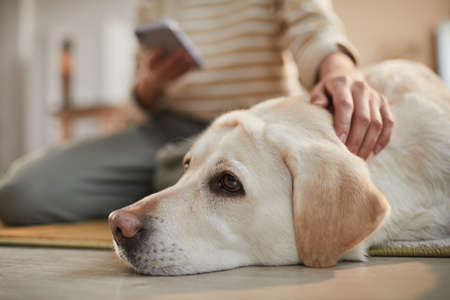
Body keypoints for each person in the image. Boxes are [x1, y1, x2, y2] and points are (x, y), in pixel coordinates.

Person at [0, 0, 393, 225]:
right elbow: (136, 102)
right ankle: (181, 179)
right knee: (21, 193)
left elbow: (315, 32)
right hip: (163, 131)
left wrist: (342, 70)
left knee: (203, 172)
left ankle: (181, 180)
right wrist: (151, 83)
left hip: (250, 131)